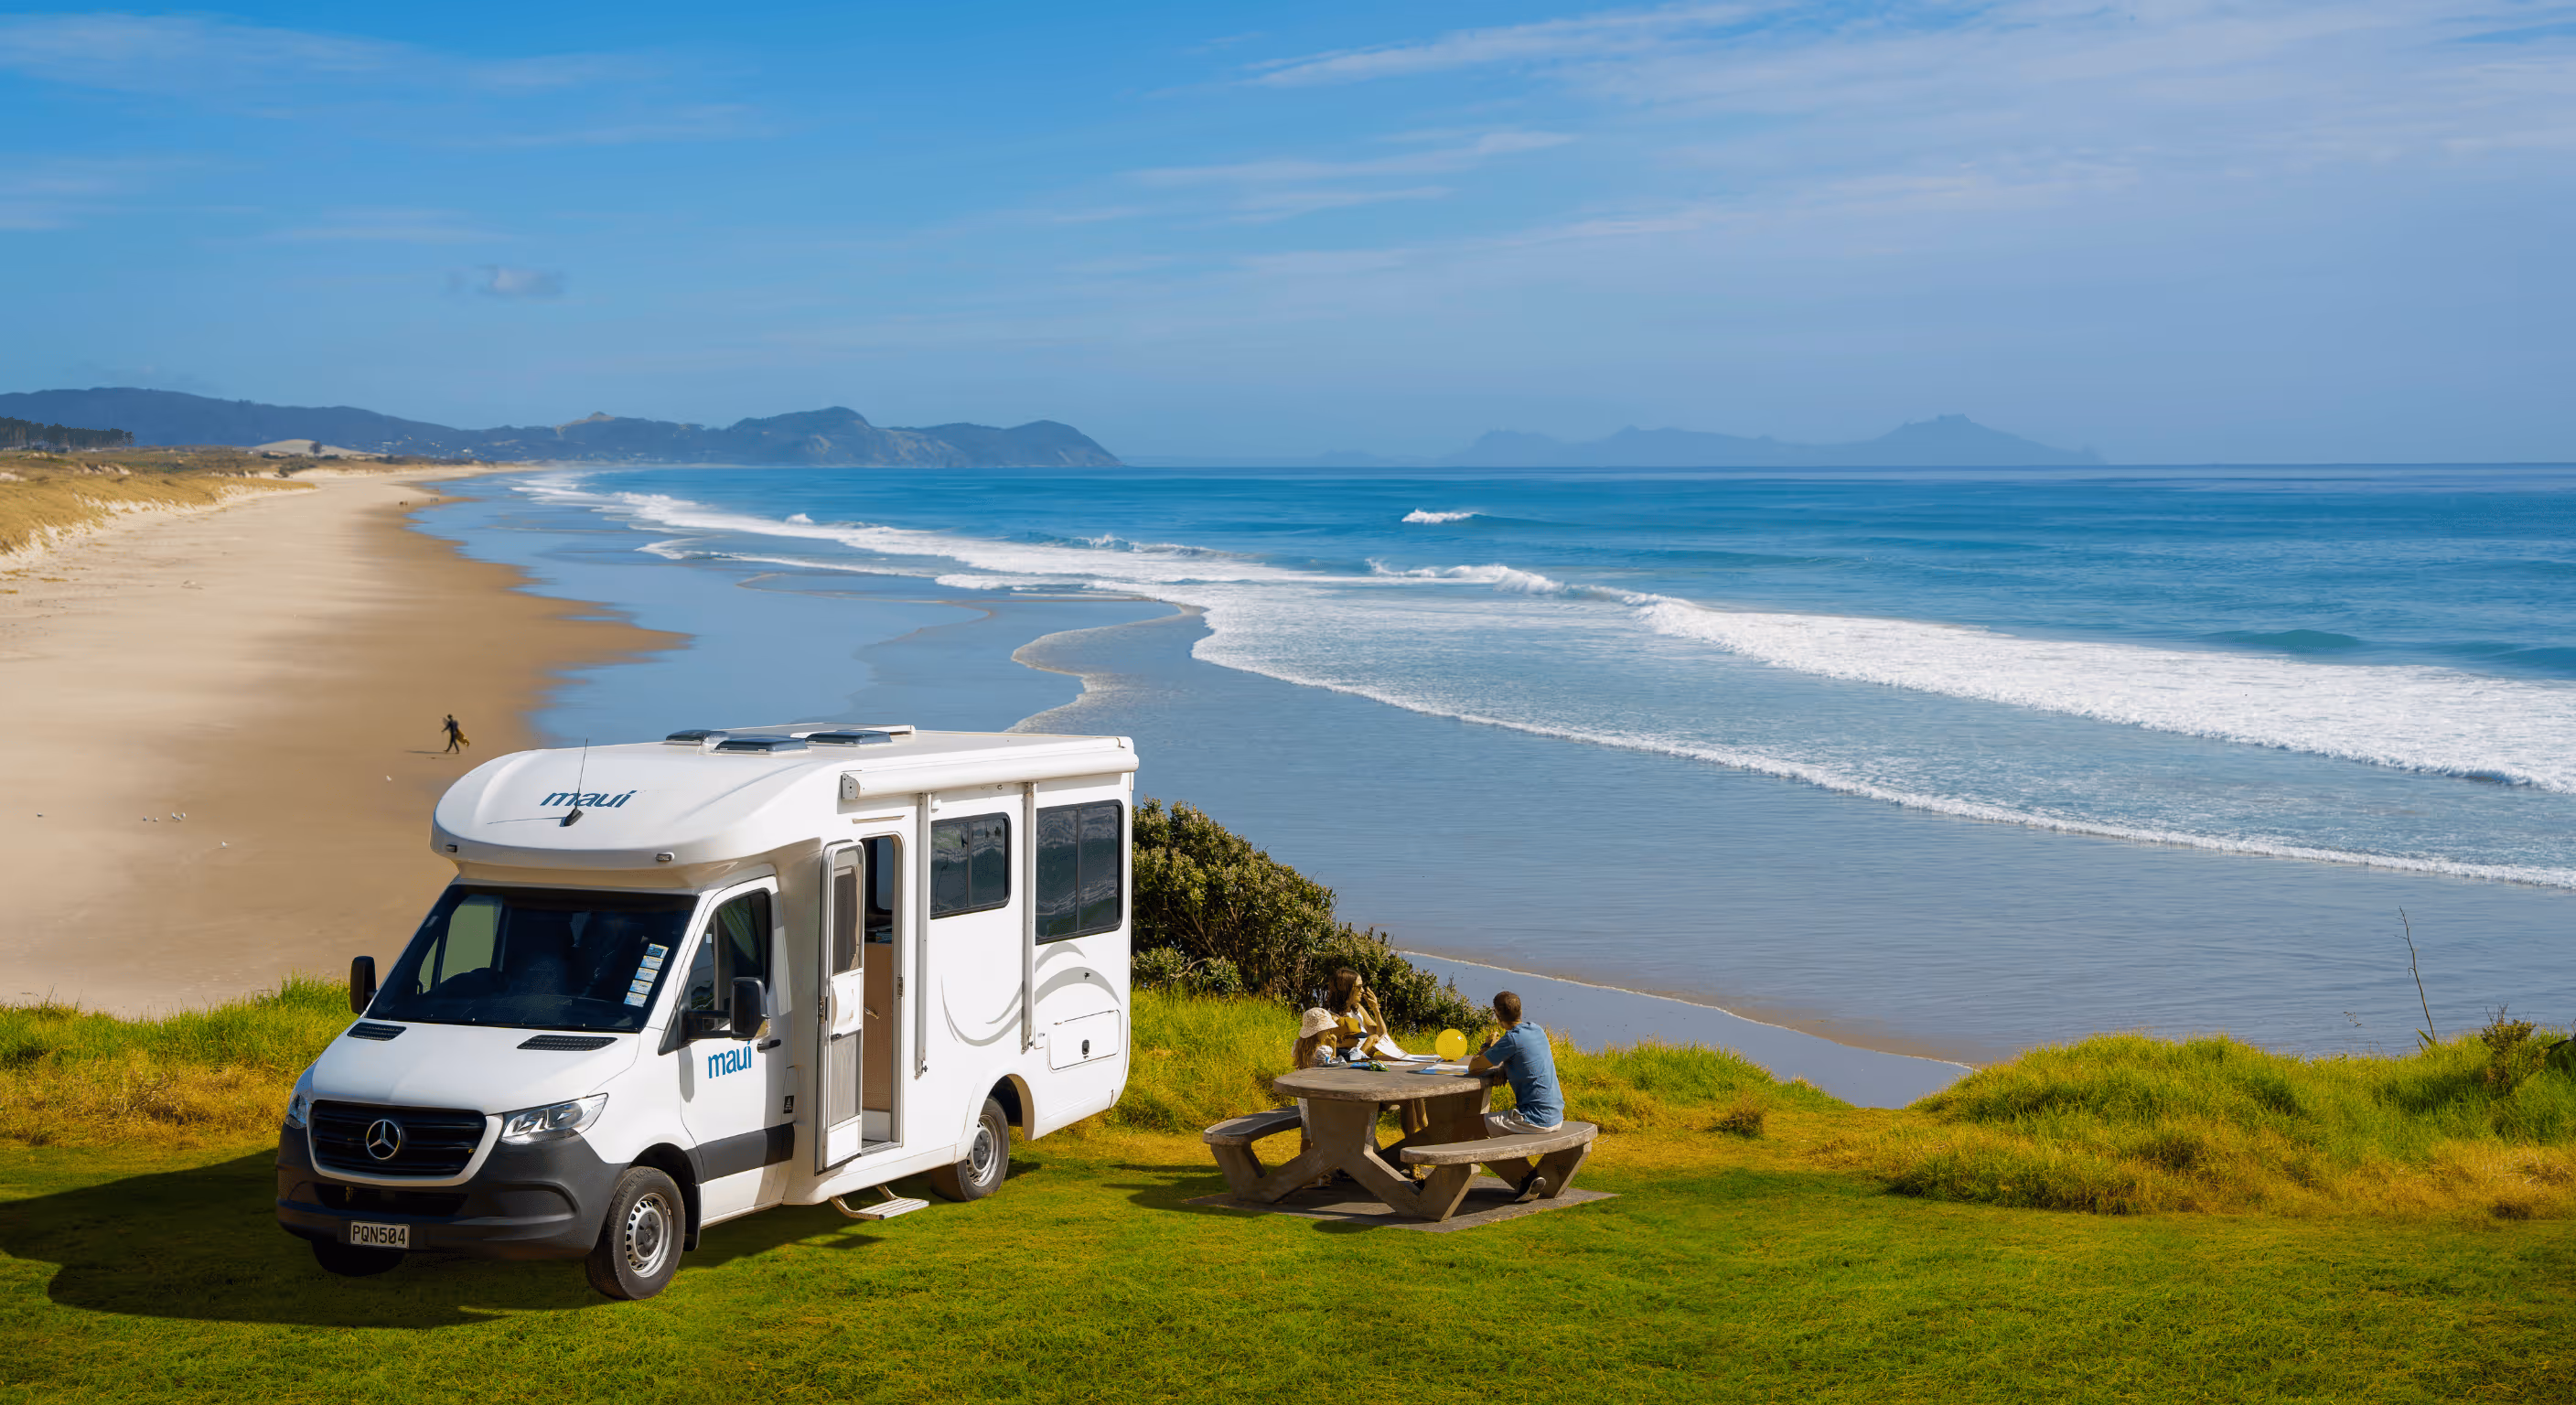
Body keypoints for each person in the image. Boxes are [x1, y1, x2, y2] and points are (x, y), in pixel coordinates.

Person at [1467, 990, 1564, 1137]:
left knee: (1468, 1127)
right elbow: (1528, 1059)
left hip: (1534, 1119)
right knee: (1481, 1128)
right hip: (1555, 1117)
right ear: (1519, 1010)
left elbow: (1473, 1068)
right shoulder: (1537, 1030)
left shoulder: (1511, 1039)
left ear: (1496, 1014)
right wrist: (1505, 1069)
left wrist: (1487, 1045)